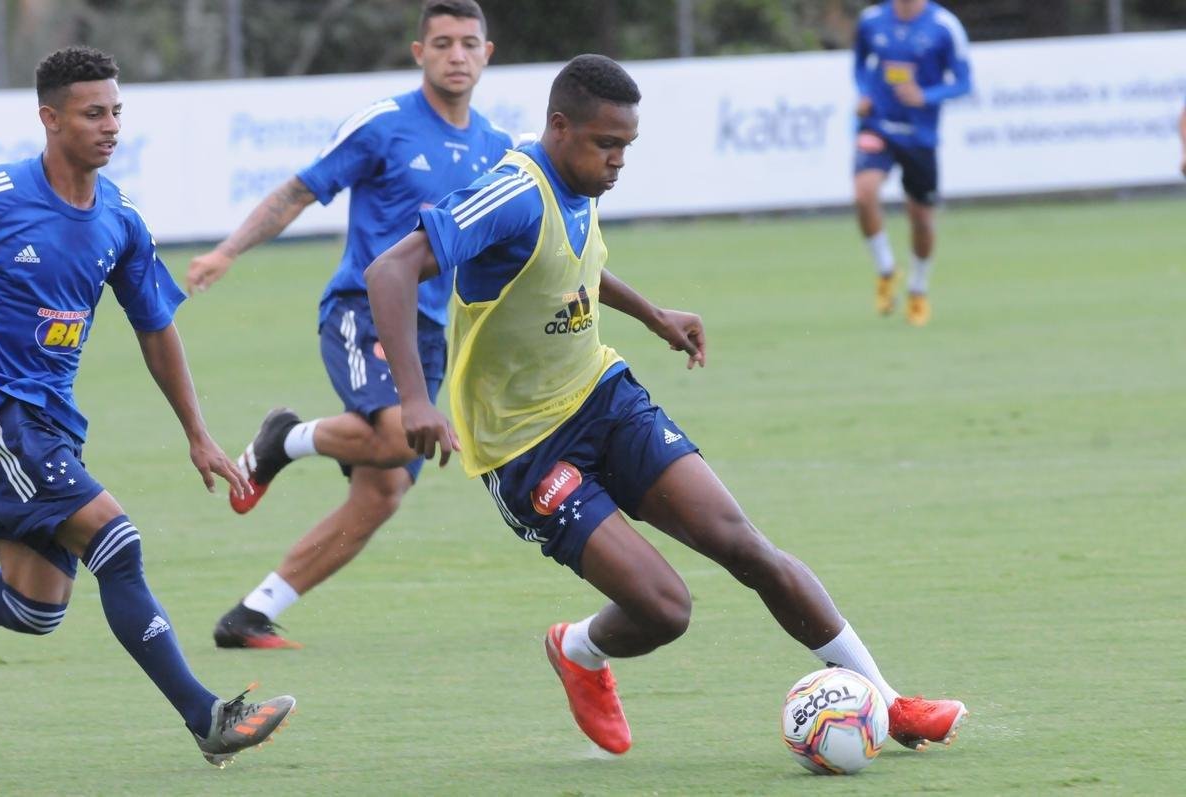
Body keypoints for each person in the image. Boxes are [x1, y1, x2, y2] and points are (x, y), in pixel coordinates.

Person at [364, 53, 967, 755]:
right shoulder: (511, 193)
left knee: (746, 545)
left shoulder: (576, 181)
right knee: (664, 608)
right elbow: (392, 268)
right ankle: (580, 649)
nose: (619, 161)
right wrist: (414, 399)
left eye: (627, 146)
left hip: (602, 396)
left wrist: (651, 314)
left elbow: (570, 261)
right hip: (526, 448)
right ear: (559, 129)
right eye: (606, 144)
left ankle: (890, 706)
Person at [0, 45, 294, 767]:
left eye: (117, 111)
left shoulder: (119, 218)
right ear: (50, 119)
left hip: (50, 425)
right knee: (115, 541)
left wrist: (197, 432)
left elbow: (156, 325)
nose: (111, 125)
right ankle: (206, 717)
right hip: (2, 417)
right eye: (94, 113)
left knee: (37, 607)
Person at [185, 0, 513, 649]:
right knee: (394, 438)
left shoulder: (497, 149)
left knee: (384, 491)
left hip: (427, 335)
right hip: (358, 311)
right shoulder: (384, 125)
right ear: (418, 53)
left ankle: (249, 614)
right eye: (441, 43)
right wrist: (228, 249)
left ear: (487, 54)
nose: (456, 55)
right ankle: (285, 439)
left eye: (468, 43)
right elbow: (298, 190)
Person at [852, 0, 972, 326]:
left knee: (920, 219)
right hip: (878, 125)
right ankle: (886, 270)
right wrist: (863, 92)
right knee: (864, 193)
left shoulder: (944, 25)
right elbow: (861, 64)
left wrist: (926, 96)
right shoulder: (872, 20)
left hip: (920, 136)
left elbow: (964, 82)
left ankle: (918, 288)